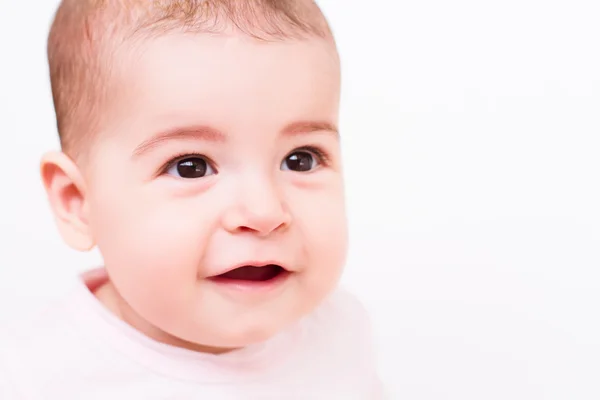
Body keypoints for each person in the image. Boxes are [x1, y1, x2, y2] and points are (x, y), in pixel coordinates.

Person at [0, 0, 383, 398]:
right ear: (77, 202)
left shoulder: (342, 334)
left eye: (300, 160)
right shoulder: (30, 377)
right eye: (191, 166)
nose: (265, 212)